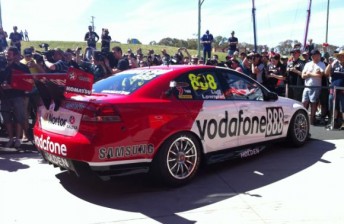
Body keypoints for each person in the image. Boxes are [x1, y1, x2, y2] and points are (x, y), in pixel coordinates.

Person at [0, 46, 30, 148]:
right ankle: (10, 138)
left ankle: (17, 139)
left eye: (9, 54)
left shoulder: (22, 67)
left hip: (18, 96)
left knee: (19, 118)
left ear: (16, 55)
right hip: (4, 97)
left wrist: (12, 86)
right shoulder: (2, 65)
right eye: (6, 54)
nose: (6, 55)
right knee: (6, 118)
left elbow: (28, 82)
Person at [301, 49, 326, 125]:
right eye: (313, 56)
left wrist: (309, 74)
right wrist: (312, 74)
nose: (315, 57)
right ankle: (303, 119)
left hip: (316, 86)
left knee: (313, 103)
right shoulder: (307, 64)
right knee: (304, 103)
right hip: (307, 86)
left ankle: (312, 120)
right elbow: (303, 75)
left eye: (317, 55)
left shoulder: (322, 64)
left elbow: (320, 75)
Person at [325, 49, 344, 129]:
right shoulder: (334, 64)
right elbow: (326, 73)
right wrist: (330, 64)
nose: (341, 57)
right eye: (339, 56)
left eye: (342, 56)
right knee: (333, 107)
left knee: (343, 107)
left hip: (343, 90)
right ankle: (334, 122)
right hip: (333, 89)